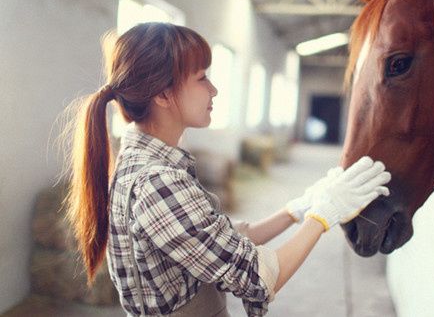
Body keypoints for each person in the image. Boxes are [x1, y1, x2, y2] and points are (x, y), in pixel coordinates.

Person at [64, 22, 391, 317]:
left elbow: (221, 241)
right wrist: (322, 216)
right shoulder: (156, 182)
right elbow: (260, 277)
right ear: (163, 94)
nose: (214, 90)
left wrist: (298, 208)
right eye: (202, 77)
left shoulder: (154, 164)